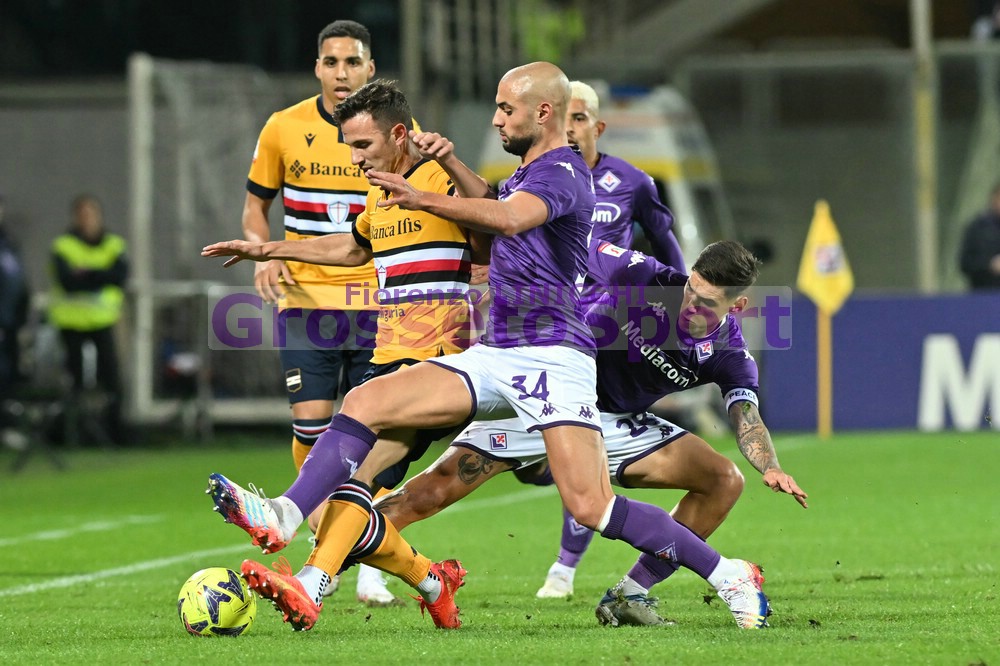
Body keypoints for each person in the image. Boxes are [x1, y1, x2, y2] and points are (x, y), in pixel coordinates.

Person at [203, 61, 772, 631]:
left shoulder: (562, 171)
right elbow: (496, 200)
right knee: (365, 402)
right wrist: (450, 165)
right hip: (497, 351)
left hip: (553, 357)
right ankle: (284, 515)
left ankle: (728, 575)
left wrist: (422, 197)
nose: (496, 119)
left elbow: (508, 218)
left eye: (505, 108)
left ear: (542, 112)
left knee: (591, 506)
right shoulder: (529, 170)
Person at [363, 239, 804, 629]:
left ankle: (630, 595)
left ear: (737, 307)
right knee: (427, 495)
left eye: (705, 301)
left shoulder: (729, 355)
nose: (689, 303)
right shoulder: (645, 276)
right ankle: (332, 554)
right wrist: (499, 265)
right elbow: (566, 248)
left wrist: (770, 466)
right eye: (691, 288)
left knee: (723, 480)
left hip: (613, 421)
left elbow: (747, 415)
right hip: (550, 389)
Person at [203, 78, 492, 630]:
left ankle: (285, 519)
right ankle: (433, 583)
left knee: (352, 441)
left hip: (438, 360)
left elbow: (490, 215)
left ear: (400, 134)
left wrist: (452, 161)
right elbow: (354, 246)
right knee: (349, 497)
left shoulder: (438, 178)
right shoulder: (379, 192)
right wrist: (268, 248)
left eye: (363, 145)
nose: (354, 158)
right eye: (349, 146)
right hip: (390, 357)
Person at [241, 18, 397, 605]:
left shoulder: (393, 132)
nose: (341, 72)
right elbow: (255, 208)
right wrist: (261, 255)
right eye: (331, 62)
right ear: (317, 69)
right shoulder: (283, 127)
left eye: (352, 62)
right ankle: (327, 531)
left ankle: (368, 563)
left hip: (378, 303)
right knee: (311, 427)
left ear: (370, 69)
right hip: (306, 303)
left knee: (376, 431)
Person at [565, 80, 685, 270]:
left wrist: (679, 286)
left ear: (598, 129)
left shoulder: (632, 181)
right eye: (560, 120)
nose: (568, 128)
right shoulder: (529, 181)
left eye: (578, 118)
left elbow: (664, 242)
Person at [48, 194, 128, 446]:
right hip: (71, 322)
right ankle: (72, 434)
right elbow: (67, 282)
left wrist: (87, 273)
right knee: (75, 381)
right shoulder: (63, 245)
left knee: (111, 379)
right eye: (82, 215)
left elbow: (120, 276)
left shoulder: (114, 244)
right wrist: (101, 275)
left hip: (103, 321)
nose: (87, 219)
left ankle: (115, 435)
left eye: (91, 214)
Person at [958, 181, 1000, 290]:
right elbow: (965, 263)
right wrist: (989, 265)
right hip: (983, 292)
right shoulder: (978, 228)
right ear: (993, 198)